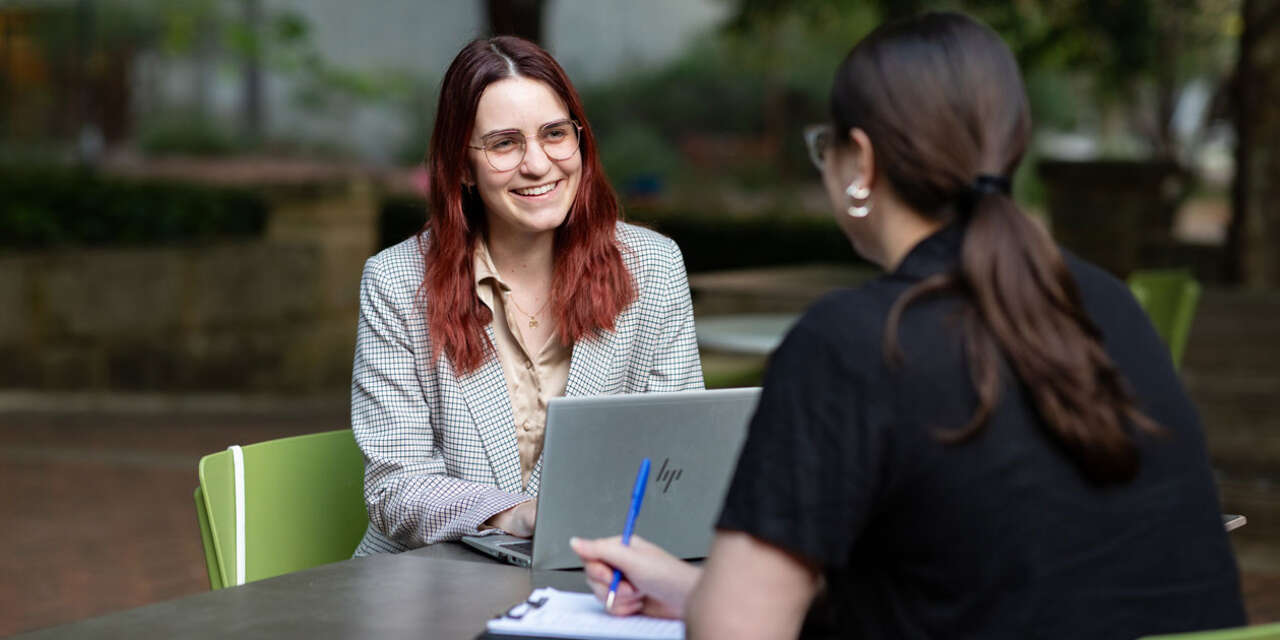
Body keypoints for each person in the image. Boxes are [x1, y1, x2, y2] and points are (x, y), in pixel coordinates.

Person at [572, 12, 1245, 638]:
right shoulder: (1106, 305)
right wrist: (695, 588)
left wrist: (716, 603)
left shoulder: (850, 342)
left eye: (823, 148)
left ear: (860, 162)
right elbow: (988, 587)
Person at [350, 36, 703, 556]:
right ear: (463, 167)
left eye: (555, 134)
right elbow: (395, 487)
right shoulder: (397, 283)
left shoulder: (652, 267)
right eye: (504, 143)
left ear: (579, 140)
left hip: (597, 571)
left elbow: (685, 453)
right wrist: (513, 514)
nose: (538, 164)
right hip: (433, 583)